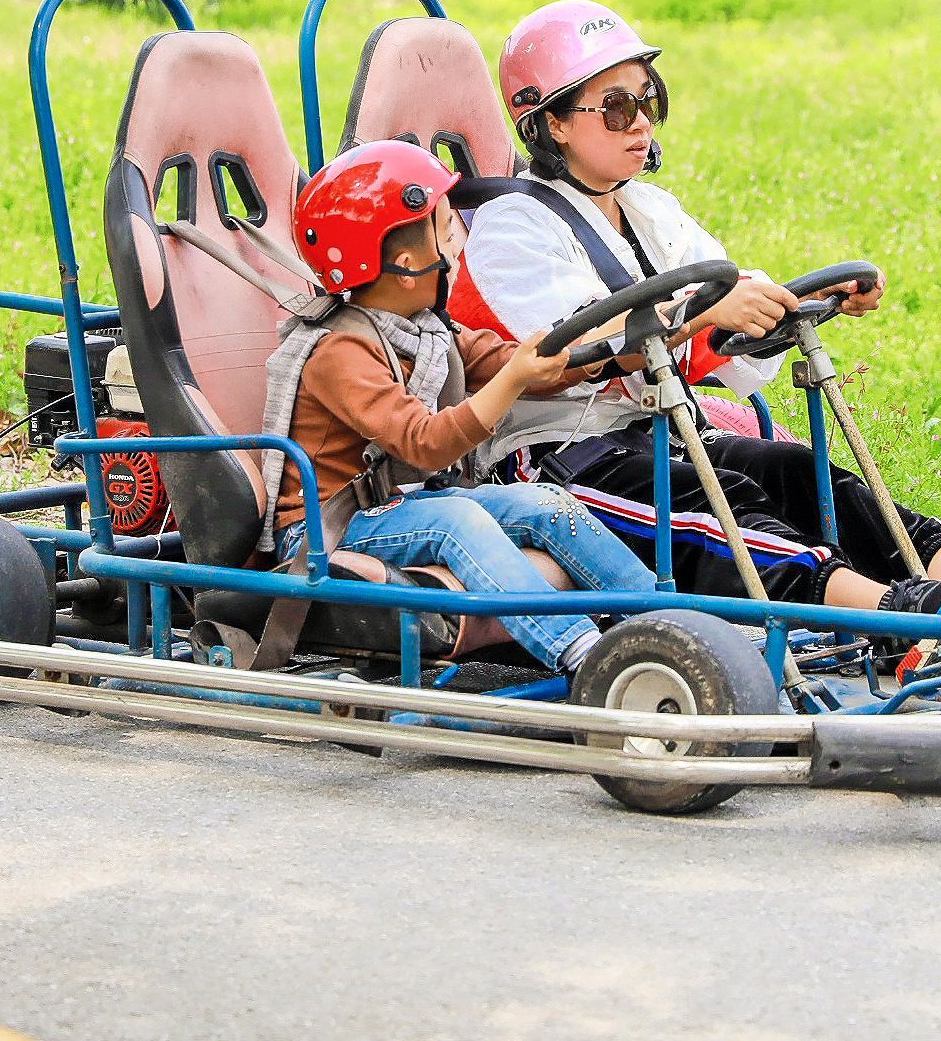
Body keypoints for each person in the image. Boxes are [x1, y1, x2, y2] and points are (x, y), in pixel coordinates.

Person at [448, 0, 941, 618]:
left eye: (649, 100)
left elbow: (720, 314)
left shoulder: (652, 212)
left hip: (664, 432)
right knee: (716, 508)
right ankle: (894, 616)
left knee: (800, 473)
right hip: (559, 456)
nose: (641, 124)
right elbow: (583, 348)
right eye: (616, 108)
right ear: (552, 123)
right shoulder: (512, 227)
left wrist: (800, 302)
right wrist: (706, 313)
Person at [259, 139, 658, 675]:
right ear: (406, 264)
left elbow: (509, 360)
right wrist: (513, 380)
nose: (457, 242)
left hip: (398, 508)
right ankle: (587, 655)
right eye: (448, 229)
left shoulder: (426, 331)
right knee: (456, 518)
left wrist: (602, 354)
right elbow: (424, 444)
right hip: (328, 525)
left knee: (544, 501)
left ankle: (666, 621)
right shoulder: (339, 351)